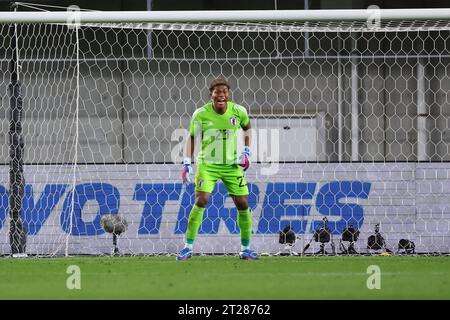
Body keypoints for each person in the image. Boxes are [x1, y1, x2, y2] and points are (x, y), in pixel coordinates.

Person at [176, 78, 257, 261]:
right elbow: (192, 137)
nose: (221, 95)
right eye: (217, 92)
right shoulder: (201, 114)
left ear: (228, 94)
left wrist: (246, 152)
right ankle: (187, 247)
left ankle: (245, 249)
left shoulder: (238, 111)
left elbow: (248, 129)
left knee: (243, 203)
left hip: (232, 165)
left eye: (224, 92)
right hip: (208, 165)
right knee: (201, 199)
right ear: (211, 94)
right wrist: (186, 162)